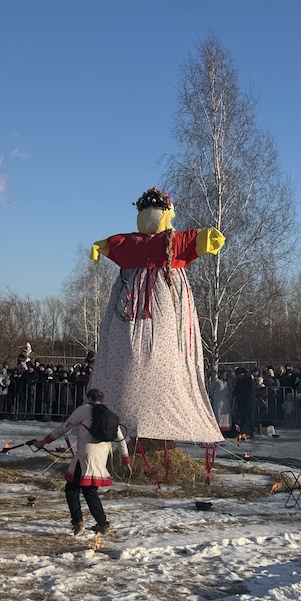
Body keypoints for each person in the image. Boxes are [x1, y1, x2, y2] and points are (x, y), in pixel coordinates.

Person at [87, 187, 225, 442]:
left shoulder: (172, 242)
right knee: (131, 353)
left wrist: (209, 237)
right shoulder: (136, 243)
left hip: (159, 301)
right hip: (133, 305)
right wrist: (101, 247)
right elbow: (113, 244)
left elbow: (194, 238)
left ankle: (155, 425)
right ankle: (126, 420)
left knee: (161, 351)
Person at [32, 388, 131, 536]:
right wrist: (126, 460)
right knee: (87, 490)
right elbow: (121, 441)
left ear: (88, 398)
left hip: (85, 456)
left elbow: (63, 429)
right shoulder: (109, 415)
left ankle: (81, 523)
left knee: (74, 489)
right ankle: (100, 524)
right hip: (100, 457)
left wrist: (43, 442)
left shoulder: (83, 410)